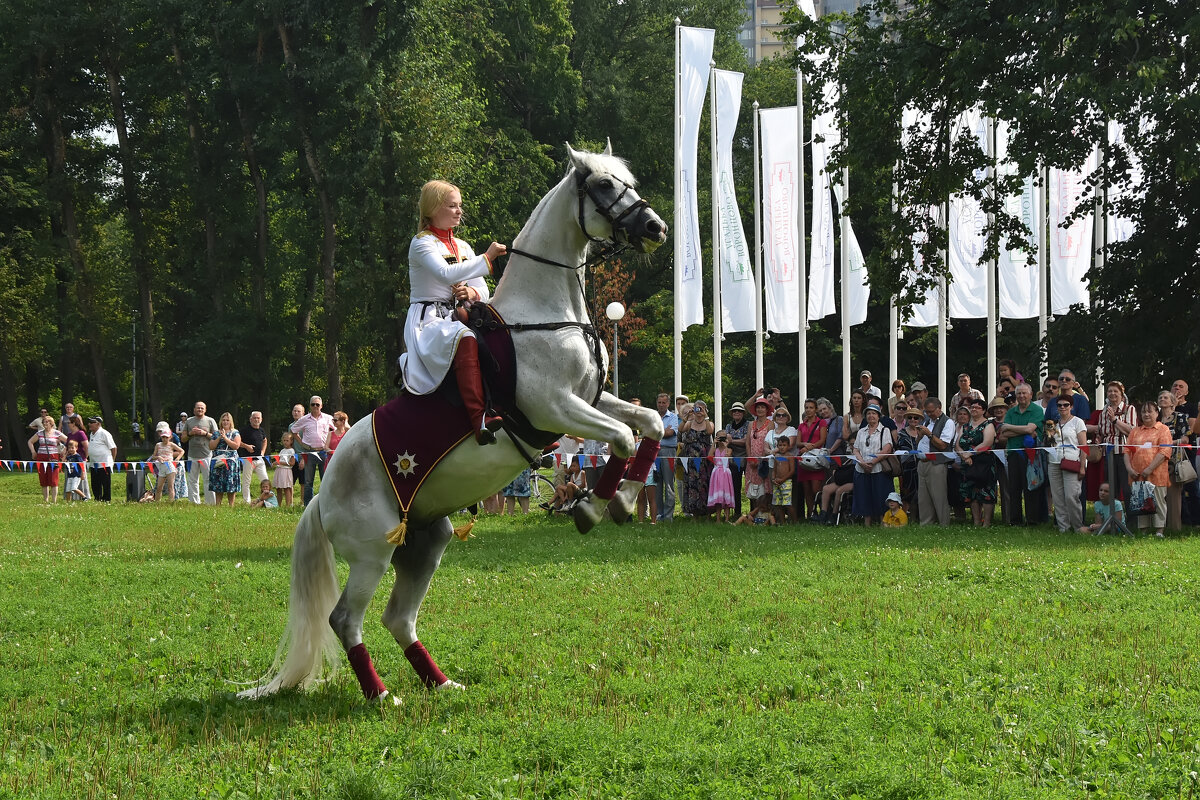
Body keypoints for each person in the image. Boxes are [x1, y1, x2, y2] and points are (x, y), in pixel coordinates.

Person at [398, 180, 507, 444]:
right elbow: (445, 273)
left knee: (503, 336)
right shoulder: (422, 243)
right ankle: (479, 417)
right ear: (434, 208)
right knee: (465, 337)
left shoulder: (463, 246)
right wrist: (487, 258)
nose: (459, 211)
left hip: (457, 317)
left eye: (460, 206)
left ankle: (518, 417)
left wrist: (471, 294)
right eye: (452, 206)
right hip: (427, 322)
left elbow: (483, 291)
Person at [999, 384, 1046, 525]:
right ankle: (1015, 520)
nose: (1021, 396)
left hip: (1031, 454)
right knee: (1014, 488)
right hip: (1013, 452)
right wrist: (1024, 430)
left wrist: (1009, 427)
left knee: (1031, 486)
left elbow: (1030, 429)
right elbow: (1004, 433)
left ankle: (1032, 520)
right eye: (1019, 393)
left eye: (1024, 393)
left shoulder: (1037, 410)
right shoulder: (1011, 412)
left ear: (1031, 395)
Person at [1124, 400, 1171, 537]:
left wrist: (1150, 469)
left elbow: (1165, 451)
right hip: (1136, 474)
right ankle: (1143, 530)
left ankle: (1159, 530)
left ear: (1157, 413)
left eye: (1150, 411)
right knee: (1141, 502)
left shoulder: (1163, 429)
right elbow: (1126, 451)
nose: (1146, 414)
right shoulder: (1135, 431)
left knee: (1158, 501)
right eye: (1143, 411)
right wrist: (1129, 469)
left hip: (1157, 473)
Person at [1045, 392, 1088, 533]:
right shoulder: (1053, 424)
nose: (1062, 407)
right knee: (1057, 497)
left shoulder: (1078, 422)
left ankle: (1078, 526)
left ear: (1071, 406)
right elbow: (1049, 443)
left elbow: (1084, 446)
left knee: (1071, 496)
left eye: (1065, 405)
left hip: (1072, 461)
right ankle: (1063, 527)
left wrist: (1082, 466)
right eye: (1059, 405)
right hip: (1054, 461)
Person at [1090, 380, 1136, 501]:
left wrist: (1115, 420)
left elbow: (1132, 431)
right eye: (1110, 391)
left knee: (1127, 488)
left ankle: (1131, 519)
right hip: (1108, 453)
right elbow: (1102, 432)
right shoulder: (1104, 411)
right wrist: (1099, 440)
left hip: (1124, 453)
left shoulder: (1129, 409)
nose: (1112, 393)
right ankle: (1113, 516)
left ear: (1122, 394)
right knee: (1111, 487)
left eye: (1116, 391)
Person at [914, 398, 956, 525]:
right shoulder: (926, 421)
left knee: (939, 495)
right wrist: (920, 436)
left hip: (937, 463)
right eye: (927, 412)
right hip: (922, 463)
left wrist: (929, 434)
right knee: (923, 497)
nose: (929, 414)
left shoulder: (948, 422)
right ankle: (926, 523)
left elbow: (943, 445)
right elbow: (918, 442)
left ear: (939, 408)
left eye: (932, 411)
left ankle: (943, 523)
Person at [851, 404, 894, 526]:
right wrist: (862, 463)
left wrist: (872, 462)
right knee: (864, 496)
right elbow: (856, 449)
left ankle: (882, 522)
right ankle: (867, 523)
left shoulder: (885, 430)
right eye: (868, 413)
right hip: (861, 469)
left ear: (879, 416)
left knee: (880, 496)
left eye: (874, 413)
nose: (871, 416)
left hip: (879, 469)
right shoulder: (861, 432)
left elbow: (887, 448)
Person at [291, 396, 335, 506]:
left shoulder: (328, 418)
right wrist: (301, 443)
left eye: (317, 404)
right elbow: (293, 431)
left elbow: (336, 430)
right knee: (308, 481)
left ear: (321, 406)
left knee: (324, 480)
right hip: (309, 452)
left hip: (324, 452)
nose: (315, 406)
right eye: (313, 404)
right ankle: (308, 505)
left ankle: (325, 504)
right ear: (310, 406)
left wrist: (331, 444)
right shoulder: (304, 419)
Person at [1159, 389, 1190, 532]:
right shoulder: (1155, 418)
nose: (1162, 399)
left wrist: (1169, 442)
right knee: (1159, 495)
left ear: (1172, 403)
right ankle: (1160, 527)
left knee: (1174, 496)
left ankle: (1174, 528)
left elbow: (1185, 438)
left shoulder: (1180, 417)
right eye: (1160, 397)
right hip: (1157, 460)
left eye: (1165, 397)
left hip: (1174, 461)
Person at [793, 399, 828, 521]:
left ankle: (822, 512)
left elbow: (822, 440)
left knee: (815, 489)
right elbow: (797, 443)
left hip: (816, 459)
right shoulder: (801, 425)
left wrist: (809, 447)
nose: (808, 410)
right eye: (806, 407)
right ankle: (811, 514)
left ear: (816, 409)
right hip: (804, 460)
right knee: (806, 490)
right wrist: (804, 444)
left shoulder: (821, 423)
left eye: (811, 407)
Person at [680, 400, 714, 518]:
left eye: (701, 408)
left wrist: (705, 416)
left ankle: (707, 512)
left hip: (704, 460)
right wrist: (686, 417)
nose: (698, 411)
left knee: (704, 483)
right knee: (692, 484)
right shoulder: (689, 423)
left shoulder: (709, 423)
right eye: (696, 408)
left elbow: (710, 431)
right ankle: (694, 513)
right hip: (690, 459)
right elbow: (680, 430)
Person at [181, 401, 218, 505]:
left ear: (205, 410)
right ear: (194, 409)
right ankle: (194, 502)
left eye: (202, 408)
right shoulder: (189, 421)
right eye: (198, 408)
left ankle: (210, 502)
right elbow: (183, 439)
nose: (200, 410)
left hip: (206, 455)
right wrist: (190, 433)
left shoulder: (210, 421)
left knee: (208, 479)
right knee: (192, 480)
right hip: (192, 455)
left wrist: (204, 433)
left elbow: (216, 437)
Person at [28, 416, 67, 502]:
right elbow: (30, 442)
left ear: (51, 423)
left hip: (53, 457)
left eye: (46, 422)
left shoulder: (57, 433)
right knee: (43, 478)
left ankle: (54, 500)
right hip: (41, 457)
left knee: (53, 479)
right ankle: (45, 500)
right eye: (43, 422)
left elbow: (69, 441)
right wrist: (33, 452)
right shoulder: (40, 433)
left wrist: (64, 452)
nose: (44, 424)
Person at [208, 412, 243, 507]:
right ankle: (218, 505)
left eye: (227, 420)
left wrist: (225, 438)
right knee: (218, 483)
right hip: (218, 461)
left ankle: (231, 505)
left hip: (230, 461)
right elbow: (211, 446)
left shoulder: (235, 432)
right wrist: (220, 437)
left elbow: (236, 446)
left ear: (231, 421)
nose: (225, 422)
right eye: (223, 420)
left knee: (230, 483)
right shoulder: (216, 433)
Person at [654, 393, 679, 521]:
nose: (661, 405)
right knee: (657, 483)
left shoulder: (673, 417)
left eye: (664, 403)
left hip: (669, 451)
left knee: (669, 484)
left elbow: (670, 433)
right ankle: (659, 514)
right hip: (654, 452)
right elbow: (648, 432)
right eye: (659, 402)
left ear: (668, 404)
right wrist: (664, 431)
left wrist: (657, 432)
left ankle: (669, 515)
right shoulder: (652, 416)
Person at [723, 401, 750, 517]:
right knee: (735, 486)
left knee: (750, 486)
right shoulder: (728, 426)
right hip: (733, 459)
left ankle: (753, 511)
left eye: (739, 411)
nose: (737, 412)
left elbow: (746, 441)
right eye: (735, 411)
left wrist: (732, 441)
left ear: (743, 413)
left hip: (747, 457)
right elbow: (725, 441)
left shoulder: (748, 424)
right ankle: (737, 512)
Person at [148, 422, 186, 501]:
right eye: (163, 437)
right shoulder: (158, 445)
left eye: (166, 437)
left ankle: (171, 502)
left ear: (169, 437)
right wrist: (158, 457)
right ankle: (157, 503)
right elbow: (153, 456)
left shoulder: (172, 444)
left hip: (170, 466)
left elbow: (182, 451)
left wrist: (177, 458)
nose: (164, 439)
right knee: (159, 487)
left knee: (171, 486)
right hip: (161, 466)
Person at [239, 411, 270, 504]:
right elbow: (237, 442)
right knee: (246, 481)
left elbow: (265, 440)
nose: (256, 420)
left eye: (258, 418)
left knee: (265, 479)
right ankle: (246, 501)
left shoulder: (261, 430)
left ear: (261, 419)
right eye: (254, 418)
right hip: (247, 459)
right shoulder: (244, 430)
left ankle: (267, 500)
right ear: (250, 419)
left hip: (259, 459)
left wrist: (263, 452)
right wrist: (246, 446)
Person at [86, 416, 117, 502]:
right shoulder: (91, 434)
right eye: (89, 422)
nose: (89, 424)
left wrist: (112, 461)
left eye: (92, 422)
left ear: (98, 424)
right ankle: (97, 498)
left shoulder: (104, 433)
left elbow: (113, 448)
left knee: (105, 483)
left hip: (105, 463)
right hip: (94, 464)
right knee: (95, 483)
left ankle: (107, 500)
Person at [706, 432, 735, 523]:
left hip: (725, 473)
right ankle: (718, 519)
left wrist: (726, 445)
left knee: (726, 496)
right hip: (716, 473)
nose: (721, 439)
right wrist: (714, 443)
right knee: (718, 497)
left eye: (723, 437)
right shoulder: (715, 449)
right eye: (720, 438)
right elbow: (709, 456)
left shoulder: (729, 449)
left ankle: (726, 518)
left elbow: (727, 456)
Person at [770, 435, 796, 524]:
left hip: (786, 482)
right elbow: (774, 469)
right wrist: (774, 479)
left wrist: (783, 479)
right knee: (778, 504)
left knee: (787, 503)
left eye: (784, 445)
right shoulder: (776, 456)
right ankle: (782, 522)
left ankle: (795, 522)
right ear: (777, 446)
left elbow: (792, 471)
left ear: (788, 446)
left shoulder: (790, 456)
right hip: (777, 482)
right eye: (780, 445)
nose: (782, 447)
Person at [272, 431, 297, 508]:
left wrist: (280, 463)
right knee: (278, 488)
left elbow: (292, 463)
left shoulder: (291, 451)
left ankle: (288, 505)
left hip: (286, 471)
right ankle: (278, 505)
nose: (285, 442)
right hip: (279, 470)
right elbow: (279, 460)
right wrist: (275, 463)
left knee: (286, 488)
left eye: (287, 441)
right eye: (284, 440)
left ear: (291, 441)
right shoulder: (282, 450)